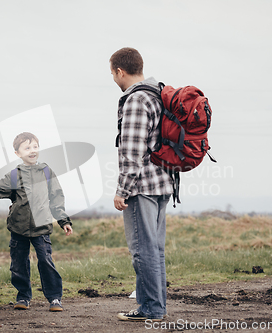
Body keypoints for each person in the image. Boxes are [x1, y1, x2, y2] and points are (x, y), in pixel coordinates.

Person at [110, 47, 173, 322]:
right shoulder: (158, 95)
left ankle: (151, 309)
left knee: (143, 250)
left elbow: (132, 152)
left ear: (120, 71)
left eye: (112, 73)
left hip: (142, 187)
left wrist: (122, 190)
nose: (113, 78)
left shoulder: (136, 100)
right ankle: (155, 307)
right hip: (162, 183)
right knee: (154, 249)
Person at [0, 132, 73, 312]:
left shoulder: (47, 172)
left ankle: (55, 298)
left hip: (41, 227)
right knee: (18, 264)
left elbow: (56, 197)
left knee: (45, 261)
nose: (32, 151)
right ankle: (23, 297)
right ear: (17, 153)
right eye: (27, 148)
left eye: (35, 146)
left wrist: (63, 220)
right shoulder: (14, 174)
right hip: (18, 226)